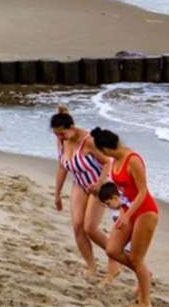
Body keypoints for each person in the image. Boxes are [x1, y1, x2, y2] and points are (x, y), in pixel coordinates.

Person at [91, 127, 159, 307]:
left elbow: (143, 192)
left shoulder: (133, 160)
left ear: (106, 149)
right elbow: (122, 192)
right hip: (127, 211)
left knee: (136, 259)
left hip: (145, 212)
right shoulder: (114, 160)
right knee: (112, 249)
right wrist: (122, 212)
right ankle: (145, 274)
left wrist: (127, 214)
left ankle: (145, 302)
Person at [51, 105, 119, 280]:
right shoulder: (61, 140)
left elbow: (108, 162)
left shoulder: (88, 141)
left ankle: (116, 258)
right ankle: (91, 267)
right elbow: (62, 166)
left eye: (61, 133)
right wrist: (57, 194)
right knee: (77, 226)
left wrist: (99, 182)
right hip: (80, 185)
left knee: (90, 228)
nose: (59, 137)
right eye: (56, 134)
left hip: (100, 187)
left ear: (71, 128)